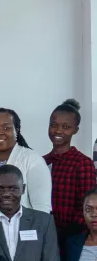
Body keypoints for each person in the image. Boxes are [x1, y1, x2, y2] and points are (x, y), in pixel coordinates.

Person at [0, 108, 52, 213]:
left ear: (16, 130)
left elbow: (42, 208)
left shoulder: (32, 160)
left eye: (6, 128)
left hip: (17, 223)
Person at [43, 100, 95, 244]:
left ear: (75, 130)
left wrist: (68, 234)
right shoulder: (41, 162)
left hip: (72, 237)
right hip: (44, 235)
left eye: (66, 127)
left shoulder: (82, 163)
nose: (58, 131)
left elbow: (87, 205)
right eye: (54, 125)